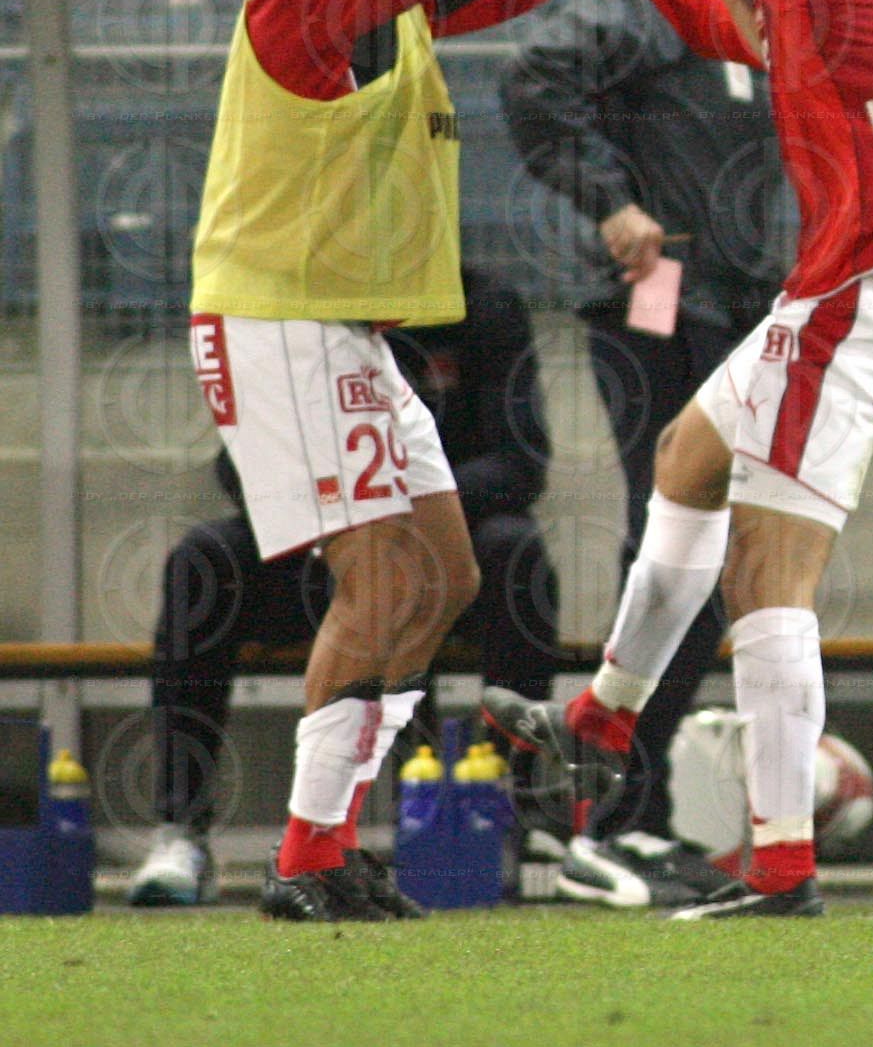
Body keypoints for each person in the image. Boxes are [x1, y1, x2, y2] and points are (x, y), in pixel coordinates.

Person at [186, 0, 718, 921]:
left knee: (446, 573)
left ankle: (328, 843)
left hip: (341, 327)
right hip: (277, 317)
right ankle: (305, 856)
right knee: (381, 580)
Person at [485, 0, 873, 919]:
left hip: (866, 291)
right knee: (687, 458)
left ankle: (782, 862)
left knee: (768, 573)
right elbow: (734, 26)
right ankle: (601, 720)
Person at [129, 267, 558, 907]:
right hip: (319, 538)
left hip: (444, 533)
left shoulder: (484, 305)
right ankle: (184, 829)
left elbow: (520, 464)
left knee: (507, 558)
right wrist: (344, 507)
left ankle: (507, 817)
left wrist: (398, 505)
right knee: (203, 561)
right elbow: (239, 468)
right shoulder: (295, 303)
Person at [498, 0, 786, 907]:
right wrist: (613, 203)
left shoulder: (758, 5)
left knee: (714, 556)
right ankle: (602, 809)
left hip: (737, 307)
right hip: (659, 302)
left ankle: (629, 804)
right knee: (673, 545)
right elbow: (535, 75)